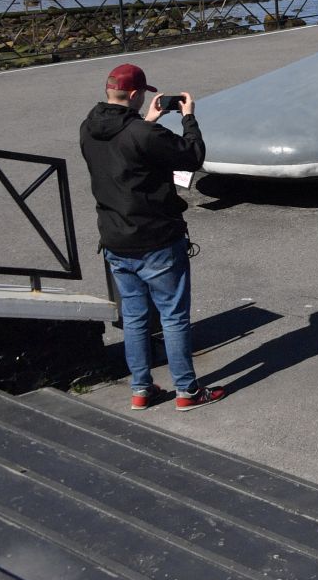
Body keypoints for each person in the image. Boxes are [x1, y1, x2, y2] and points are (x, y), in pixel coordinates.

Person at [80, 63, 226, 411]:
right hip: (156, 239)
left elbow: (125, 152)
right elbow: (192, 155)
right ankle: (187, 393)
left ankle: (141, 389)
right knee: (173, 317)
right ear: (134, 94)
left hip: (115, 238)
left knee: (134, 318)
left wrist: (148, 119)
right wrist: (188, 116)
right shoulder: (141, 134)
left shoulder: (88, 128)